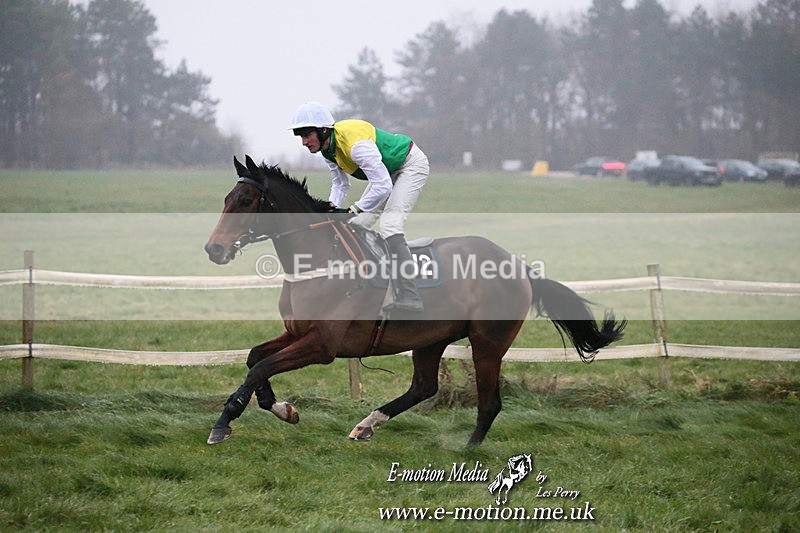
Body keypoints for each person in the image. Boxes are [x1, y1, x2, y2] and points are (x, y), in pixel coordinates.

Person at [290, 101, 428, 313]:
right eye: (300, 136)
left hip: (410, 165)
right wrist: (331, 211)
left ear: (323, 130)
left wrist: (353, 209)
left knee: (390, 225)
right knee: (357, 225)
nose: (303, 142)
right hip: (386, 172)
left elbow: (382, 186)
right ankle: (371, 284)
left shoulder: (356, 145)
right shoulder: (328, 149)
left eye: (307, 135)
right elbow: (340, 184)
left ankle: (411, 295)